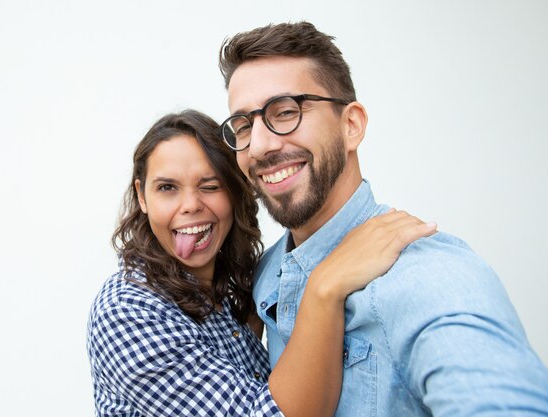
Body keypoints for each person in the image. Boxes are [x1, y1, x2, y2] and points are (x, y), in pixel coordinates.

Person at [217, 21, 548, 417]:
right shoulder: (269, 270)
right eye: (243, 125)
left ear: (351, 125)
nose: (260, 145)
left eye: (286, 112)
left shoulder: (429, 277)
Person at [86, 109, 436, 416]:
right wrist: (326, 284)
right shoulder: (127, 310)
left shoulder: (234, 287)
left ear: (236, 194)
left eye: (210, 186)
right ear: (141, 196)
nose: (190, 205)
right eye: (167, 188)